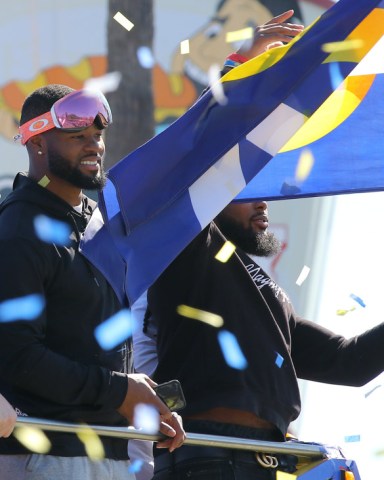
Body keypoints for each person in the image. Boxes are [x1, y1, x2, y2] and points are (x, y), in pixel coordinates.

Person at [0, 84, 185, 480]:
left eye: (97, 136)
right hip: (44, 457)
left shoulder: (99, 223)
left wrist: (143, 398)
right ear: (35, 144)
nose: (94, 147)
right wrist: (120, 391)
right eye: (76, 137)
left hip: (112, 456)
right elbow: (16, 358)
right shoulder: (16, 229)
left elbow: (95, 349)